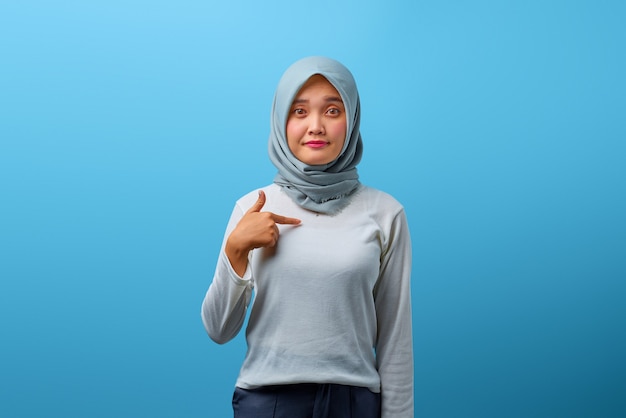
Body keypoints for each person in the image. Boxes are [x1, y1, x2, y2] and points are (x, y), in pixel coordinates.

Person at [201, 56, 413, 418]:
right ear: (280, 119)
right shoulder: (251, 207)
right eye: (299, 112)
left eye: (332, 111)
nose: (315, 126)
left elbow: (396, 338)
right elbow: (219, 329)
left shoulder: (385, 212)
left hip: (353, 403)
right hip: (268, 402)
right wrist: (236, 250)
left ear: (352, 119)